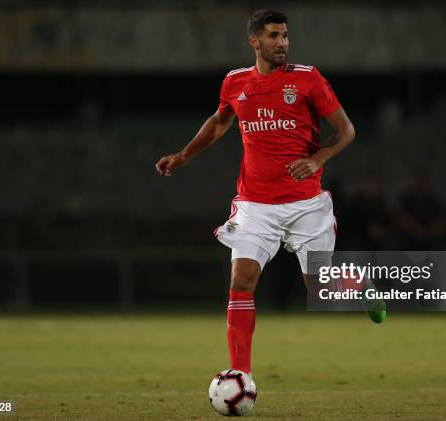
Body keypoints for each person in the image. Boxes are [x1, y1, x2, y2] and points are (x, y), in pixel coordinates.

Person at [156, 9, 379, 375]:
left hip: (305, 204)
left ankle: (360, 284)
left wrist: (318, 158)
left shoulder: (308, 79)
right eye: (275, 36)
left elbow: (346, 130)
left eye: (286, 36)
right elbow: (218, 123)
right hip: (255, 206)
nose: (283, 43)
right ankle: (240, 376)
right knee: (241, 280)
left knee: (320, 291)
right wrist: (183, 155)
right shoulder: (235, 82)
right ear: (255, 41)